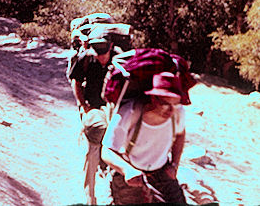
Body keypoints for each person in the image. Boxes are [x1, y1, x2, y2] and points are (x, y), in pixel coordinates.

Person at [101, 71, 187, 204]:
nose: (171, 110)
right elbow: (106, 151)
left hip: (161, 170)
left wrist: (175, 164)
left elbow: (180, 135)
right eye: (166, 104)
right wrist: (127, 170)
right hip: (130, 172)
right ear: (153, 98)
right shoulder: (130, 112)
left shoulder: (178, 113)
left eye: (175, 104)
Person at [68, 32, 115, 205]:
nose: (102, 57)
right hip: (92, 106)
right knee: (93, 147)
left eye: (104, 53)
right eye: (98, 53)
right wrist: (84, 105)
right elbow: (76, 82)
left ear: (110, 47)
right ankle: (90, 196)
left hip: (112, 108)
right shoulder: (85, 58)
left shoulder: (119, 59)